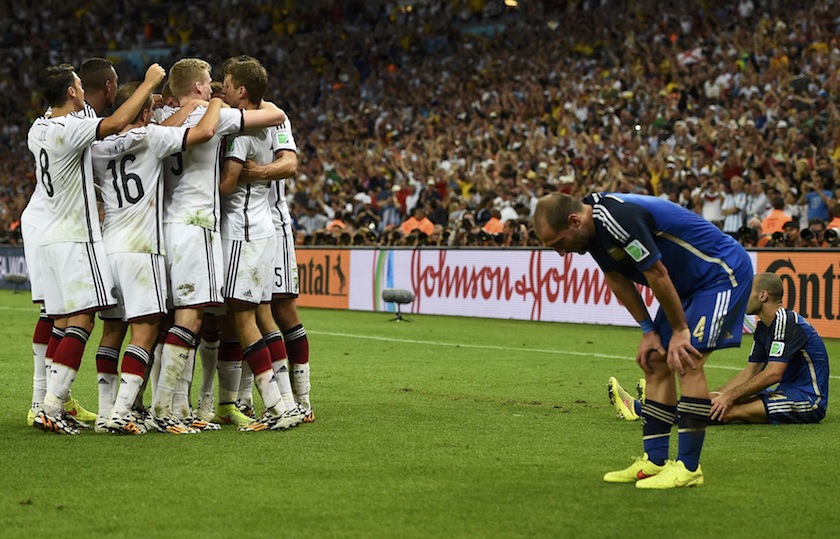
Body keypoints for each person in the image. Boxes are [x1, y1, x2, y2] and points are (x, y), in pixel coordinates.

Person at [533, 192, 752, 488]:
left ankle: (689, 468)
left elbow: (657, 273)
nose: (561, 253)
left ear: (574, 221)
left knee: (687, 359)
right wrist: (649, 331)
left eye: (558, 243)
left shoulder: (616, 219)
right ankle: (655, 461)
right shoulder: (591, 230)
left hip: (719, 273)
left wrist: (679, 331)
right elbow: (616, 279)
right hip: (685, 285)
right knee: (655, 362)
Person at [27, 62, 166, 434]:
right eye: (78, 85)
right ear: (72, 92)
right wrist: (151, 81)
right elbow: (117, 122)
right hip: (77, 237)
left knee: (65, 322)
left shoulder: (38, 128)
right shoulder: (72, 129)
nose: (82, 90)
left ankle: (48, 403)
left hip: (49, 236)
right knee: (83, 320)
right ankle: (52, 404)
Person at [150, 57, 286, 427]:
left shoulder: (159, 123)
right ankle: (164, 411)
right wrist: (215, 105)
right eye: (209, 81)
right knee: (191, 319)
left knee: (169, 320)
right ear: (197, 86)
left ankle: (175, 407)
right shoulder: (216, 116)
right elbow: (274, 115)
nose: (214, 87)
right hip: (197, 227)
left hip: (163, 227)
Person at [90, 82, 223, 434]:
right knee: (146, 331)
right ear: (146, 113)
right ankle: (125, 412)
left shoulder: (97, 149)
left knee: (111, 331)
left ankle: (106, 412)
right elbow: (201, 131)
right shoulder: (152, 138)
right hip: (142, 247)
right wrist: (207, 101)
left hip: (109, 245)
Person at [218, 55, 304, 431]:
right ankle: (279, 400)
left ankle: (281, 404)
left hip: (247, 230)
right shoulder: (269, 120)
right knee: (260, 313)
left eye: (226, 81)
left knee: (245, 316)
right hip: (261, 231)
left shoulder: (248, 130)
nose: (220, 87)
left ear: (241, 89)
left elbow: (228, 184)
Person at [709, 272, 829, 424]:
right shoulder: (763, 326)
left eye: (747, 291)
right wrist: (718, 393)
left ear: (763, 295)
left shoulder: (786, 322)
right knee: (715, 404)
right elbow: (751, 371)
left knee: (726, 412)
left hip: (809, 399)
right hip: (785, 393)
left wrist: (729, 396)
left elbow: (773, 374)